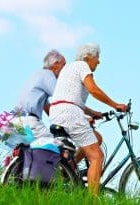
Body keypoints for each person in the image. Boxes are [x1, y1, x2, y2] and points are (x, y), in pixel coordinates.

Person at [49, 43, 127, 195]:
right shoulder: (82, 65)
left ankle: (69, 170)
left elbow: (72, 98)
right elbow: (93, 89)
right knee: (97, 156)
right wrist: (115, 104)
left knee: (96, 138)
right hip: (69, 113)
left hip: (59, 111)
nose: (98, 61)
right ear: (88, 57)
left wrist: (92, 113)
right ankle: (92, 200)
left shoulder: (70, 68)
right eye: (97, 57)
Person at [16, 49, 66, 140]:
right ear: (55, 64)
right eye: (64, 65)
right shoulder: (48, 75)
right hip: (30, 122)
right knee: (57, 148)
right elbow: (63, 98)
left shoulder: (37, 75)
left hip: (18, 122)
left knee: (32, 152)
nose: (65, 69)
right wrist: (83, 117)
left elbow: (48, 109)